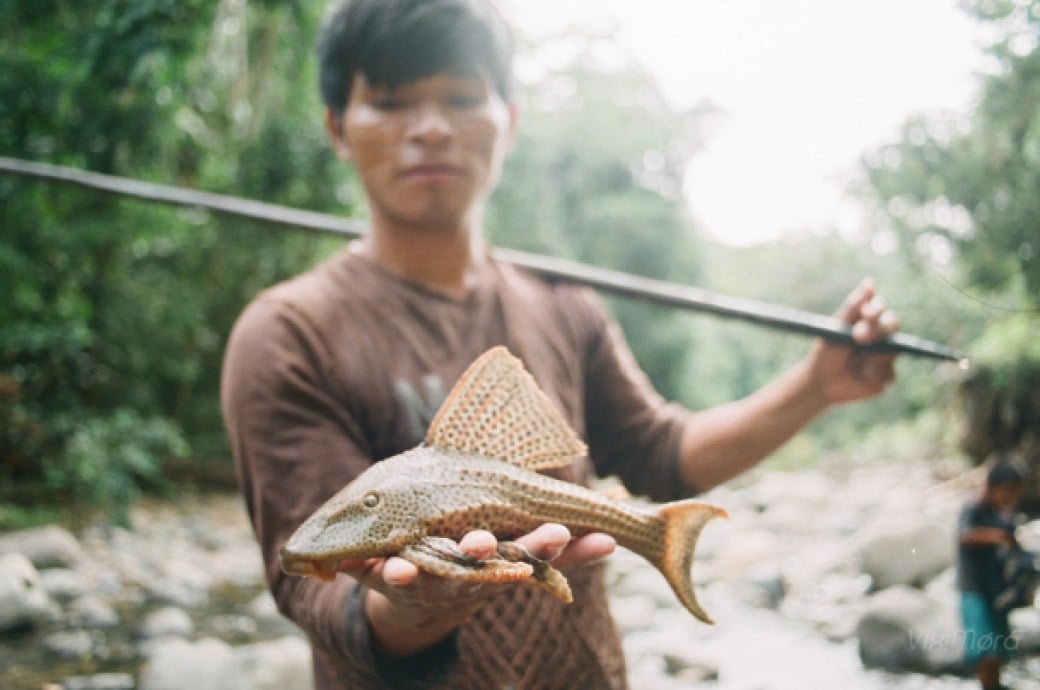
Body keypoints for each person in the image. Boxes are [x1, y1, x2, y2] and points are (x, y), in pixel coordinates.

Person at [220, 1, 899, 687]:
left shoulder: (564, 304)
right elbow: (311, 582)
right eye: (392, 102)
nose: (429, 129)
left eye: (460, 97)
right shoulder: (287, 334)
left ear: (508, 119)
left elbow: (661, 454)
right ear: (338, 125)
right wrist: (418, 608)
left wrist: (814, 387)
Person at [957, 461, 1026, 690]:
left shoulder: (1004, 517)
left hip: (996, 590)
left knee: (999, 649)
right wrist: (997, 536)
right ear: (992, 487)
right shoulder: (973, 510)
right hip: (975, 589)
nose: (1010, 497)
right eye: (1007, 491)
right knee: (985, 650)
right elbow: (965, 536)